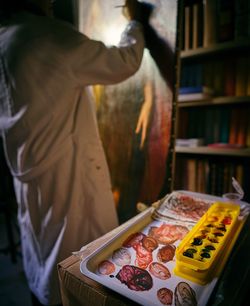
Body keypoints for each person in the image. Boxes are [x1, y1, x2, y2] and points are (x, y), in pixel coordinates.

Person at [0, 0, 150, 305]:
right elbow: (124, 60)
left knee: (43, 255)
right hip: (69, 177)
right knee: (78, 269)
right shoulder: (49, 37)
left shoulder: (5, 39)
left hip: (28, 175)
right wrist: (134, 21)